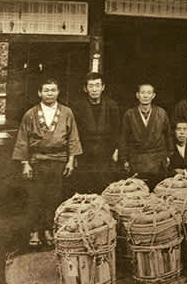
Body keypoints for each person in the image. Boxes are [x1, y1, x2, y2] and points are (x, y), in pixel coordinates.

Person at [12, 78, 82, 248]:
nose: (49, 93)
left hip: (58, 160)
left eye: (53, 90)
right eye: (46, 90)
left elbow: (73, 138)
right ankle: (35, 231)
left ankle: (49, 229)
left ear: (58, 92)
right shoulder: (30, 114)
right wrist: (25, 163)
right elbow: (23, 139)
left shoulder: (66, 112)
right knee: (35, 197)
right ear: (39, 93)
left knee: (54, 197)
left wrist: (71, 160)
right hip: (37, 161)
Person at [72, 72, 119, 195]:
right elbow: (73, 132)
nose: (94, 89)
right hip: (85, 156)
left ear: (103, 87)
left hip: (105, 155)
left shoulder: (111, 105)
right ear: (85, 88)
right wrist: (75, 155)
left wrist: (116, 150)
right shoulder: (77, 106)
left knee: (104, 189)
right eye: (91, 86)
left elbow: (117, 131)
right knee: (85, 189)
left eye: (97, 85)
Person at [119, 83, 173, 189]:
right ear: (137, 95)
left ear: (153, 95)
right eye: (142, 92)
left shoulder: (161, 113)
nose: (145, 96)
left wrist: (169, 155)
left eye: (149, 93)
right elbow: (123, 138)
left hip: (157, 158)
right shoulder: (129, 114)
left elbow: (168, 135)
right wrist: (124, 158)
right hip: (137, 159)